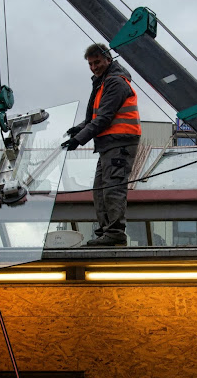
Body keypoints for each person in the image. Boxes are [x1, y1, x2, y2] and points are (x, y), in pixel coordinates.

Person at [62, 43, 141, 247]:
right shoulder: (103, 82)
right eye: (90, 64)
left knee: (113, 188)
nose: (94, 67)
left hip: (120, 143)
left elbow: (104, 118)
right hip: (110, 144)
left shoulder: (115, 82)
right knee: (100, 189)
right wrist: (78, 130)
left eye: (97, 62)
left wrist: (79, 139)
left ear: (108, 58)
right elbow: (94, 117)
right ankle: (106, 231)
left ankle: (114, 232)